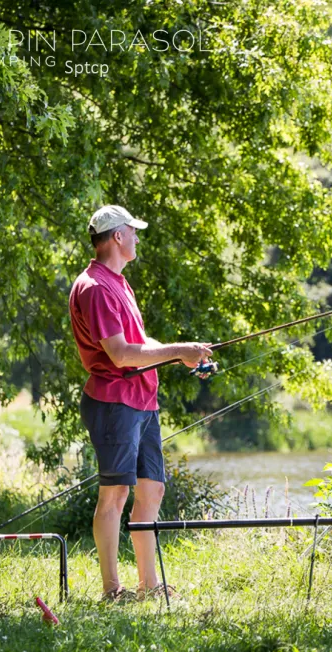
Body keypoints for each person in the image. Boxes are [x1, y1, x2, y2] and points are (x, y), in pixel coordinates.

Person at [68, 204, 211, 602]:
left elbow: (142, 344)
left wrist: (184, 355)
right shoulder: (94, 287)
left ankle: (149, 585)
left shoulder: (120, 283)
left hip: (142, 401)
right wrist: (178, 350)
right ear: (117, 236)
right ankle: (113, 590)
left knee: (153, 490)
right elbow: (119, 354)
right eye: (133, 231)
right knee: (114, 495)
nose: (136, 238)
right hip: (114, 402)